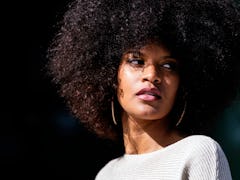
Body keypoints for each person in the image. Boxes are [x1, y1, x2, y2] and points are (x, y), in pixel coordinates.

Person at [46, 0, 240, 179]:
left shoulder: (199, 152)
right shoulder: (107, 174)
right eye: (137, 61)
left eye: (168, 65)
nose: (152, 74)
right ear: (109, 74)